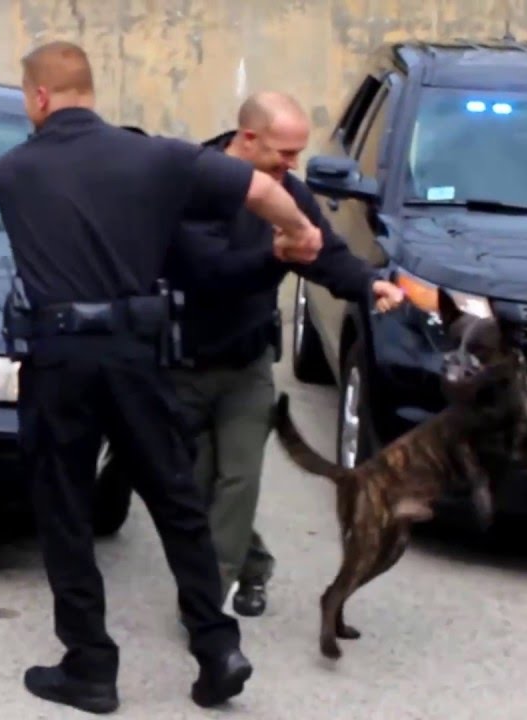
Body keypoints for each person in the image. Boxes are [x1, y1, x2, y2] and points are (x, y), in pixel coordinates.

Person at [0, 40, 324, 714]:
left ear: (41, 97)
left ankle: (90, 666)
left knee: (65, 510)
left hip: (59, 358)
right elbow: (262, 187)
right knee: (176, 501)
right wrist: (298, 235)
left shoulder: (13, 171)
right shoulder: (159, 157)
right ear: (90, 90)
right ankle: (216, 647)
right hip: (138, 355)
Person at [166, 91, 405, 619]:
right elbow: (208, 272)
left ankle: (205, 606)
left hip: (247, 365)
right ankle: (253, 564)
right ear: (246, 139)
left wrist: (369, 286)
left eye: (298, 154)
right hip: (183, 363)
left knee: (238, 480)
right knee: (198, 487)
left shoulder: (287, 192)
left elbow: (324, 254)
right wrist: (272, 254)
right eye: (283, 153)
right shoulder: (194, 182)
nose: (292, 165)